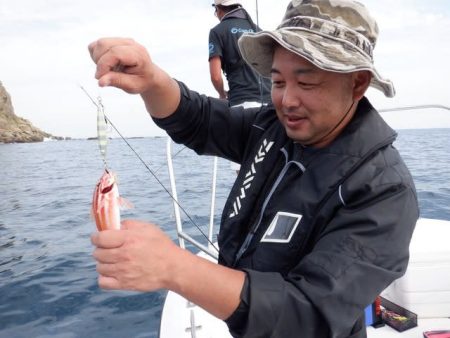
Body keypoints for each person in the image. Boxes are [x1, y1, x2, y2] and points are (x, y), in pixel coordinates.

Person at [88, 0, 419, 337]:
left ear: (358, 84)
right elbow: (200, 120)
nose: (287, 100)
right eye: (277, 82)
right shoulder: (273, 127)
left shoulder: (384, 191)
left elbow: (307, 315)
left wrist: (176, 268)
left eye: (307, 84)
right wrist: (151, 79)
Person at [209, 0, 271, 108]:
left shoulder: (217, 31)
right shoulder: (258, 30)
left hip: (242, 103)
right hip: (270, 104)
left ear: (218, 9)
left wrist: (222, 94)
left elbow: (216, 77)